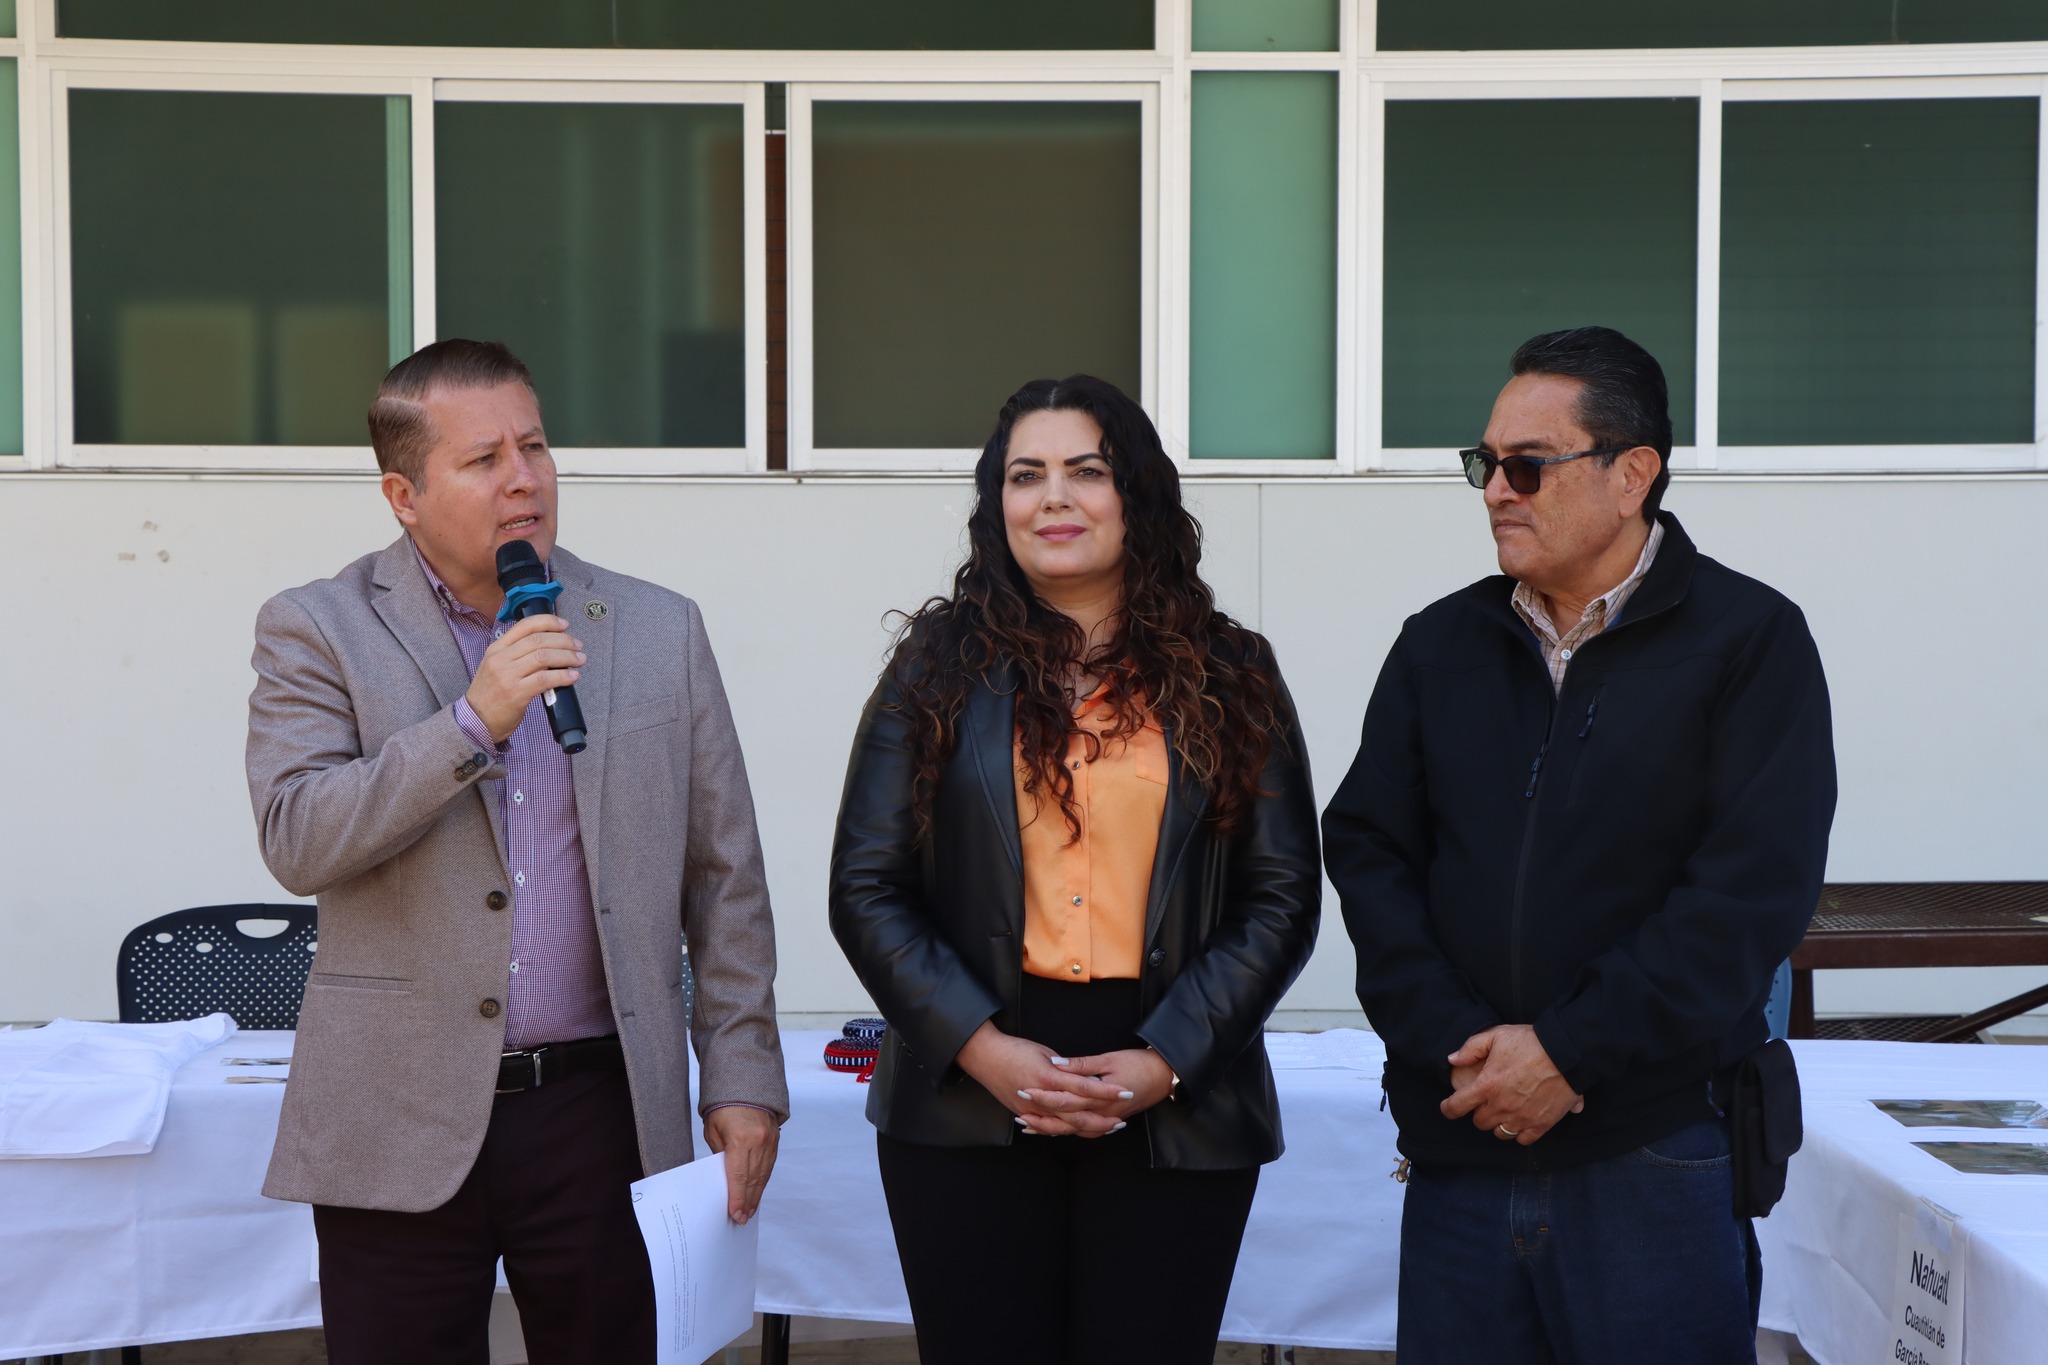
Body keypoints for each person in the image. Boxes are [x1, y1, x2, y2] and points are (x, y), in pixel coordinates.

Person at [245, 339, 787, 1365]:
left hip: (600, 1112)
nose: (523, 478)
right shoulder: (316, 627)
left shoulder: (656, 628)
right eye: (483, 459)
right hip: (395, 1110)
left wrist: (743, 1074)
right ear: (404, 495)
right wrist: (472, 721)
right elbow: (299, 836)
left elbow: (726, 877)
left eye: (533, 447)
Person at [1322, 327, 1836, 1363]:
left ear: (1631, 474)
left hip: (1653, 1152)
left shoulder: (1748, 640)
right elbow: (1370, 852)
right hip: (1464, 1142)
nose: (1494, 491)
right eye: (1484, 464)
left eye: (1527, 466)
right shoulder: (1439, 644)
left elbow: (1748, 893)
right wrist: (1464, 1050)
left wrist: (1566, 1052)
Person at [829, 375, 1322, 1365]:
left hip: (1175, 1089)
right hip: (966, 1091)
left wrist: (1164, 1060)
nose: (1052, 497)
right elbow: (866, 886)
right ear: (996, 503)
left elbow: (1281, 897)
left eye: (1084, 471)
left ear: (1135, 494)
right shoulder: (932, 669)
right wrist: (982, 1051)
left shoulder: (1233, 672)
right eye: (1025, 475)